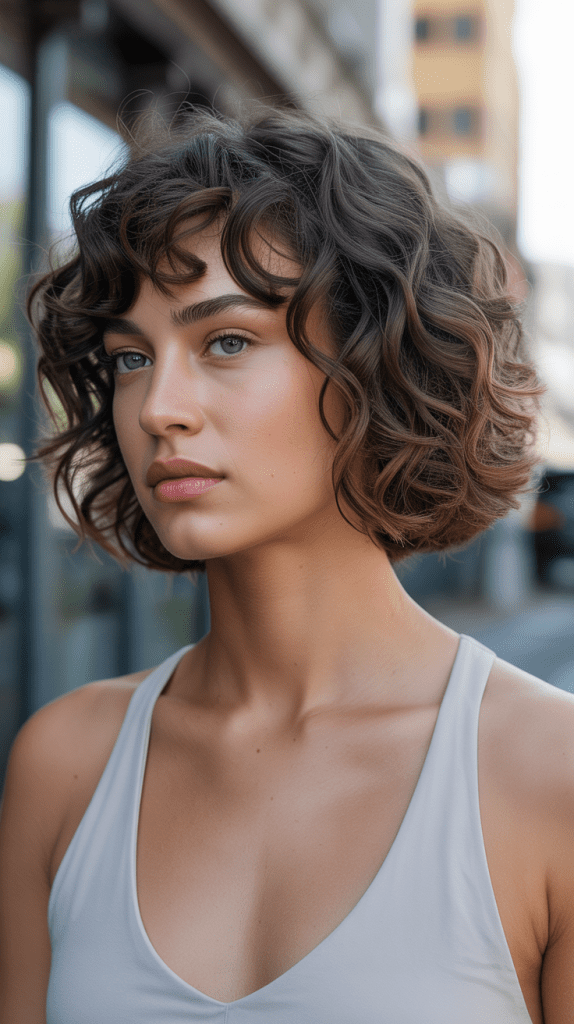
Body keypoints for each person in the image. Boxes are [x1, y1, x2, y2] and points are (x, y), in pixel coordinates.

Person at [0, 104, 569, 1024]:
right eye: (133, 356)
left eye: (226, 341)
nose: (158, 409)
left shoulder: (549, 775)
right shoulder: (67, 764)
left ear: (375, 364)